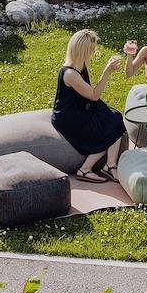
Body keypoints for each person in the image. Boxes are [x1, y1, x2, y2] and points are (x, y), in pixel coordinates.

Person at [52, 29, 127, 182]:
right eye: (91, 49)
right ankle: (85, 169)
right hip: (70, 116)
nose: (93, 51)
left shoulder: (81, 66)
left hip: (82, 107)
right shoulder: (70, 74)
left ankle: (110, 165)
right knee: (107, 130)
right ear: (82, 50)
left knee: (115, 117)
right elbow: (94, 95)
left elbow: (89, 94)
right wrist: (106, 72)